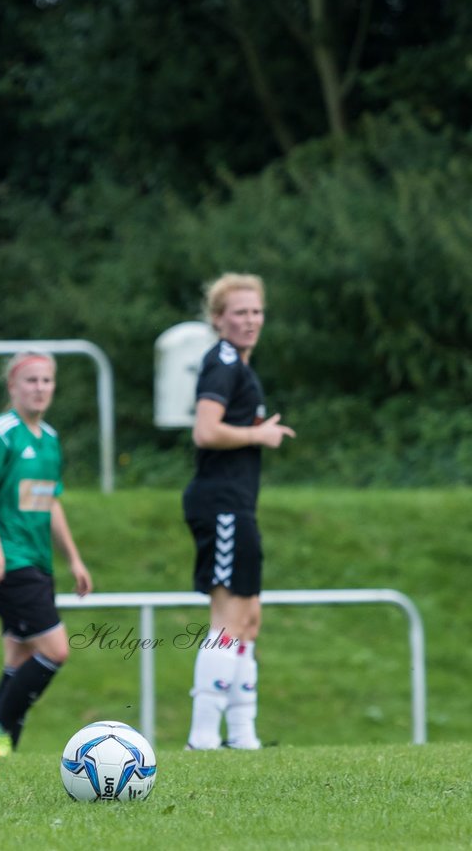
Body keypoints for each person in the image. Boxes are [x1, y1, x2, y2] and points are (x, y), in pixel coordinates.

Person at [183, 272, 295, 751]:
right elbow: (205, 431)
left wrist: (252, 429)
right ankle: (203, 739)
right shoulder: (223, 363)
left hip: (237, 504)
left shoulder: (239, 367)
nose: (250, 320)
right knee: (228, 620)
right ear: (218, 319)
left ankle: (244, 736)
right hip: (221, 504)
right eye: (239, 313)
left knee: (249, 618)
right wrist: (258, 435)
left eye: (256, 312)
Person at [0, 351, 93, 758]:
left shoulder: (50, 439)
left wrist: (73, 558)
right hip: (7, 562)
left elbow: (50, 502)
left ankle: (2, 749)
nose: (40, 388)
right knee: (55, 650)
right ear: (12, 387)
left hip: (36, 560)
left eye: (47, 381)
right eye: (31, 381)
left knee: (19, 653)